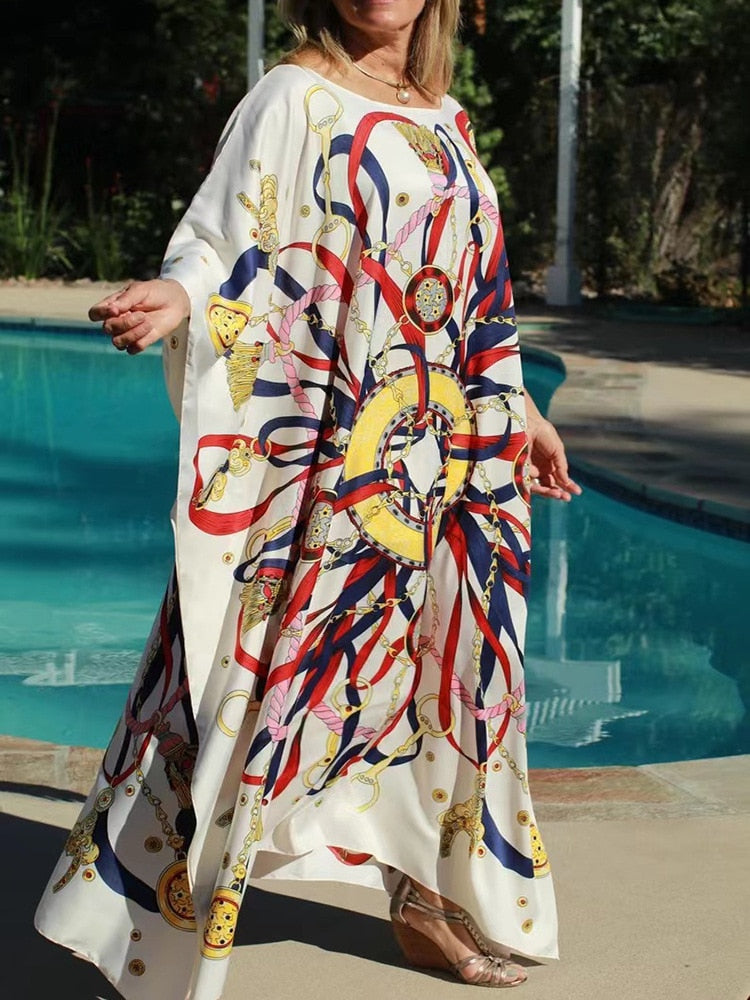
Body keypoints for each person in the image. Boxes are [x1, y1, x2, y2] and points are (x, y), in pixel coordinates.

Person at [35, 1, 581, 996]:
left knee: (445, 673)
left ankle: (425, 896)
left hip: (447, 462)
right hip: (335, 467)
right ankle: (133, 907)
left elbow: (479, 293)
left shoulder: (447, 118)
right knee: (254, 677)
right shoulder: (291, 96)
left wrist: (523, 411)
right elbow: (229, 235)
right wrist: (183, 297)